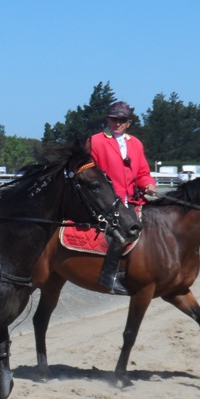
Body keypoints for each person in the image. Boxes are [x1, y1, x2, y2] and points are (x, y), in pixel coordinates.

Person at [86, 100, 157, 295]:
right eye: (114, 119)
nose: (117, 123)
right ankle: (109, 276)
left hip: (132, 199)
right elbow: (89, 174)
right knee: (122, 230)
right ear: (108, 119)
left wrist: (148, 184)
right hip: (105, 202)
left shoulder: (135, 144)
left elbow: (143, 172)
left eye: (122, 120)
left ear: (128, 122)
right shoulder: (96, 141)